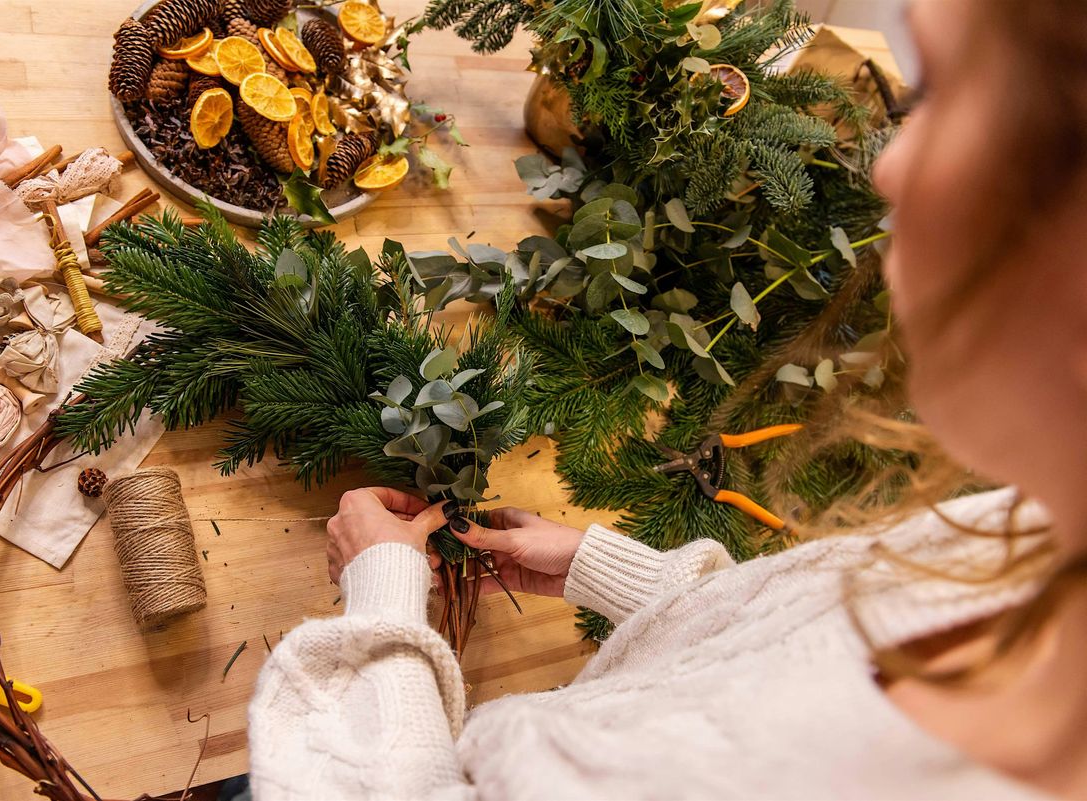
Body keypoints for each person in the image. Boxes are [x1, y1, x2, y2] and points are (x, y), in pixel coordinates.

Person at [246, 0, 1087, 797]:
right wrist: (616, 573)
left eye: (939, 92)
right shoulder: (1027, 536)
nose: (891, 165)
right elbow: (788, 644)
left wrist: (383, 601)